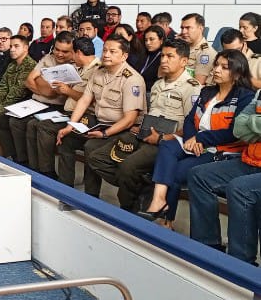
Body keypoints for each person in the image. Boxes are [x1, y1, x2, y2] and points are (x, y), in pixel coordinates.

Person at [138, 50, 253, 225]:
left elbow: (234, 132)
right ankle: (158, 200)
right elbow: (190, 119)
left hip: (220, 150)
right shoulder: (207, 91)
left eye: (224, 67)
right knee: (167, 146)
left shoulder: (245, 97)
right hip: (196, 142)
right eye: (216, 65)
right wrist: (192, 139)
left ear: (237, 73)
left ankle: (165, 220)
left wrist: (201, 139)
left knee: (175, 171)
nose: (216, 70)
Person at [88, 39, 202, 211]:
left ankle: (128, 208)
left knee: (128, 167)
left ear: (184, 61)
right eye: (162, 56)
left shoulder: (191, 88)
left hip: (167, 142)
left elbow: (192, 127)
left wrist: (163, 138)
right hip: (144, 133)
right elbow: (152, 113)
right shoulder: (158, 84)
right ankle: (141, 187)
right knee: (97, 157)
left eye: (170, 56)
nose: (164, 60)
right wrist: (140, 126)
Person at [55, 36, 147, 197]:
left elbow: (129, 119)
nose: (106, 54)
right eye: (104, 50)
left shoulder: (132, 80)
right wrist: (70, 126)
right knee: (66, 138)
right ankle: (65, 191)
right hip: (99, 122)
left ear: (124, 56)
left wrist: (104, 134)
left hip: (122, 129)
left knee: (91, 146)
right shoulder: (98, 72)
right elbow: (84, 100)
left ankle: (90, 196)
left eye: (112, 51)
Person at [188, 93, 261, 264]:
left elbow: (245, 124)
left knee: (239, 189)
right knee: (199, 176)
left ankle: (240, 263)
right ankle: (207, 248)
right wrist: (254, 125)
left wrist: (250, 122)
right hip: (251, 160)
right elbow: (238, 129)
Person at [27, 37, 100, 178]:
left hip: (86, 117)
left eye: (70, 53)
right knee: (32, 124)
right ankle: (36, 169)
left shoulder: (97, 70)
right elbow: (32, 80)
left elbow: (90, 100)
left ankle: (47, 173)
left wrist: (67, 91)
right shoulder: (80, 67)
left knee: (45, 127)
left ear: (78, 53)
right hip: (70, 113)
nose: (70, 58)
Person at [0, 32, 76, 161]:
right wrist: (43, 87)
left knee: (24, 123)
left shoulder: (71, 67)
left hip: (54, 106)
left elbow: (52, 92)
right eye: (57, 49)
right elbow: (29, 81)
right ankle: (17, 159)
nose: (59, 54)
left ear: (73, 51)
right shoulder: (48, 58)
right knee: (0, 117)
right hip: (35, 102)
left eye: (65, 51)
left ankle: (29, 164)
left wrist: (39, 79)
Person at [179, 12, 217, 85]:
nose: (183, 32)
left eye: (188, 28)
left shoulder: (205, 53)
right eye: (182, 28)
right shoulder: (183, 46)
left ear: (200, 28)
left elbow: (198, 83)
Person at [137, 25, 165, 93]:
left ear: (161, 40)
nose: (148, 43)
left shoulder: (164, 58)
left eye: (151, 39)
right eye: (146, 40)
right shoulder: (143, 54)